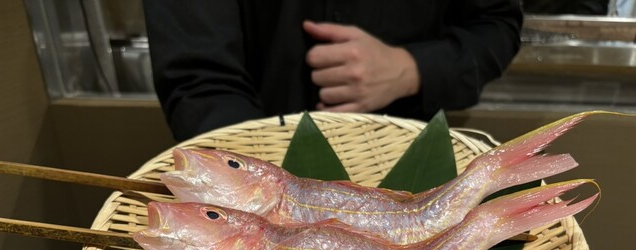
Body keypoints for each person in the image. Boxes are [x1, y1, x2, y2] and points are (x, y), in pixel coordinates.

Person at [144, 1, 523, 142]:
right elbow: (199, 75)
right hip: (247, 170)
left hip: (407, 169)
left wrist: (412, 68)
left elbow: (496, 25)